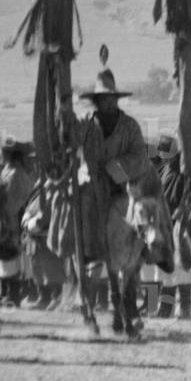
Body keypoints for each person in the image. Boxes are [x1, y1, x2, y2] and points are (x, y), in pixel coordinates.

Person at [79, 50, 150, 335]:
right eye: (102, 99)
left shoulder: (130, 126)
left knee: (143, 228)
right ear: (96, 101)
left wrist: (114, 169)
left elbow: (140, 159)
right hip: (92, 192)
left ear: (116, 99)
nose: (107, 103)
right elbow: (72, 150)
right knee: (86, 235)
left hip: (123, 190)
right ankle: (90, 300)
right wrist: (86, 171)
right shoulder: (85, 125)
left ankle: (131, 305)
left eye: (110, 98)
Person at [0, 138, 36, 307]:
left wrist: (4, 216)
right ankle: (6, 293)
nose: (1, 155)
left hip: (11, 219)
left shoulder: (16, 174)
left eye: (4, 152)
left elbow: (13, 200)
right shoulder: (9, 171)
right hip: (5, 218)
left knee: (11, 256)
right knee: (3, 255)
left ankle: (13, 295)